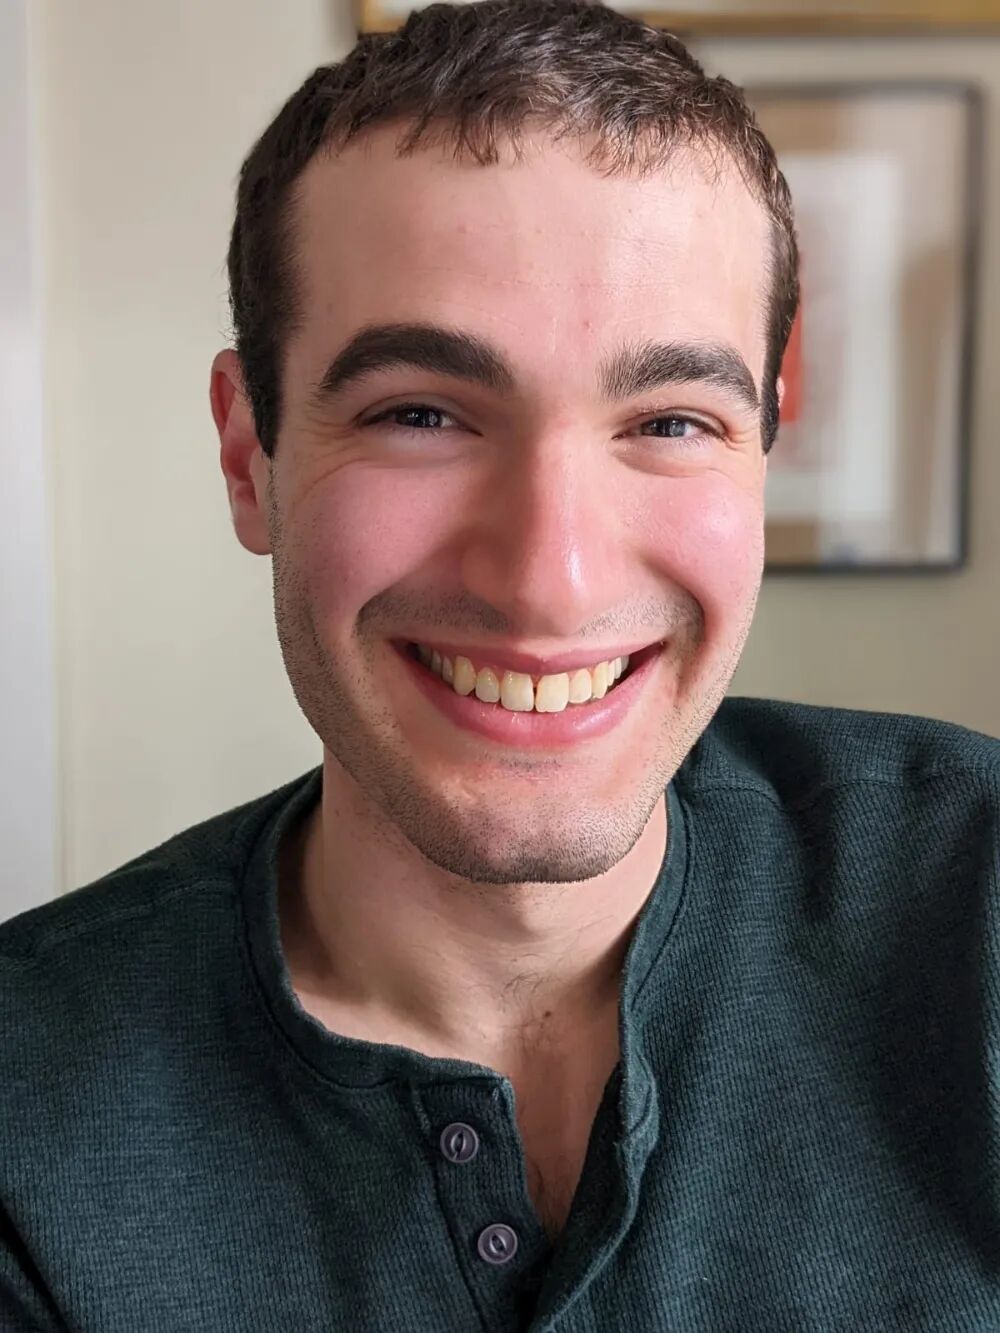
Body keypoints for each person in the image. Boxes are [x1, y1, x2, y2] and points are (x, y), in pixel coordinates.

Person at [3, 1, 999, 1328]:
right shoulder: (28, 1111)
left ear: (764, 442)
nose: (551, 578)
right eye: (422, 414)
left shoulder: (977, 909)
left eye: (669, 421)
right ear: (249, 457)